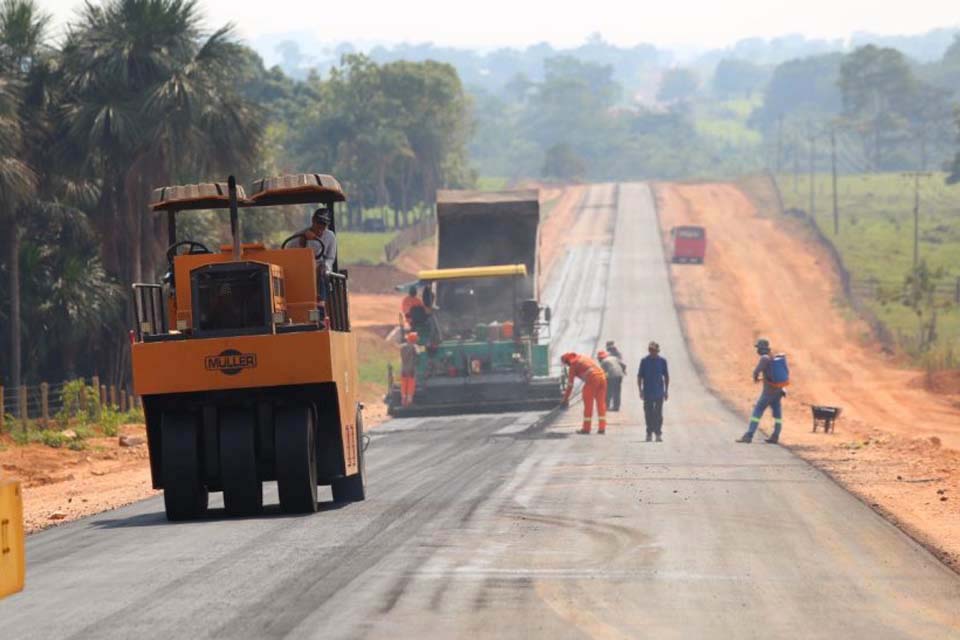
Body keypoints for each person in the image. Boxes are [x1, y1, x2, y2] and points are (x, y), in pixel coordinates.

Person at [737, 338, 785, 444]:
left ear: (762, 348)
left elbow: (756, 371)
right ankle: (775, 436)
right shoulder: (773, 357)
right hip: (778, 391)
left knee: (757, 412)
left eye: (758, 347)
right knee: (777, 415)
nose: (757, 349)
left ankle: (748, 435)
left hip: (768, 392)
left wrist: (755, 377)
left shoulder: (764, 358)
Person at [560, 352, 608, 435]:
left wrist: (565, 399)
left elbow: (570, 385)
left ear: (568, 361)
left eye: (566, 363)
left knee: (588, 404)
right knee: (601, 404)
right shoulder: (584, 358)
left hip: (593, 379)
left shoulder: (573, 365)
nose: (567, 366)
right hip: (602, 378)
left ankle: (586, 428)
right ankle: (602, 428)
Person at [638, 341, 669, 442]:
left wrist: (666, 391)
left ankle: (658, 433)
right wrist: (640, 390)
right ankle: (649, 433)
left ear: (657, 351)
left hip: (659, 392)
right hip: (647, 392)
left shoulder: (662, 361)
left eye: (654, 350)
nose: (652, 352)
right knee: (648, 413)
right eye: (651, 350)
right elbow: (639, 376)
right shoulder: (644, 361)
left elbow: (666, 376)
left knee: (658, 414)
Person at [302, 207, 337, 273]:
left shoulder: (330, 236)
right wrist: (304, 241)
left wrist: (325, 266)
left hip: (321, 271)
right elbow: (291, 252)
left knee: (321, 273)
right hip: (302, 269)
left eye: (324, 224)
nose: (320, 226)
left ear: (327, 225)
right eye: (318, 223)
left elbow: (330, 258)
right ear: (313, 220)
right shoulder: (300, 235)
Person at [400, 332, 419, 407]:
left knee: (404, 384)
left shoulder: (402, 347)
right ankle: (409, 401)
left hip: (403, 369)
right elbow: (418, 353)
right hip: (411, 369)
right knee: (411, 384)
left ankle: (403, 399)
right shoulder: (414, 346)